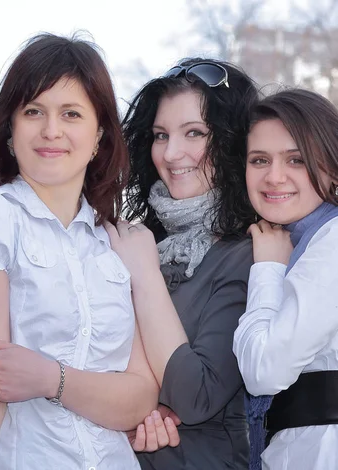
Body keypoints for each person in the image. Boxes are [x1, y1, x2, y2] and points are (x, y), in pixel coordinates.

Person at [0, 33, 159, 470]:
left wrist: (48, 379)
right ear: (10, 128)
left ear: (99, 136)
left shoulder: (113, 243)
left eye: (71, 114)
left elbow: (138, 397)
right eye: (33, 111)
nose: (51, 130)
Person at [108, 58, 259, 469]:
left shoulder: (251, 253)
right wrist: (126, 410)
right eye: (161, 135)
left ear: (233, 141)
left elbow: (197, 395)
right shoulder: (138, 242)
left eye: (194, 133)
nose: (172, 153)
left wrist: (144, 276)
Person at [233, 89, 338, 470]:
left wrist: (268, 270)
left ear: (331, 165)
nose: (274, 177)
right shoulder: (304, 241)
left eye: (296, 159)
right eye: (259, 159)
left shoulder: (331, 241)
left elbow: (264, 370)